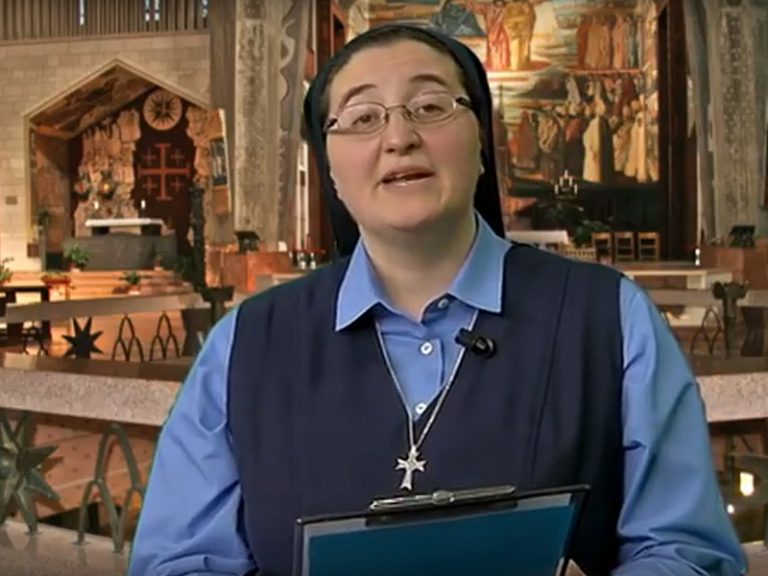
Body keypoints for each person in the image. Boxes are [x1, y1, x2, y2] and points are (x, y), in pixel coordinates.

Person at [128, 24, 747, 576]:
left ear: (482, 144)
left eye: (429, 106)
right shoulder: (246, 344)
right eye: (362, 117)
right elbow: (177, 563)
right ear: (330, 170)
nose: (399, 137)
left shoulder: (611, 318)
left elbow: (688, 552)